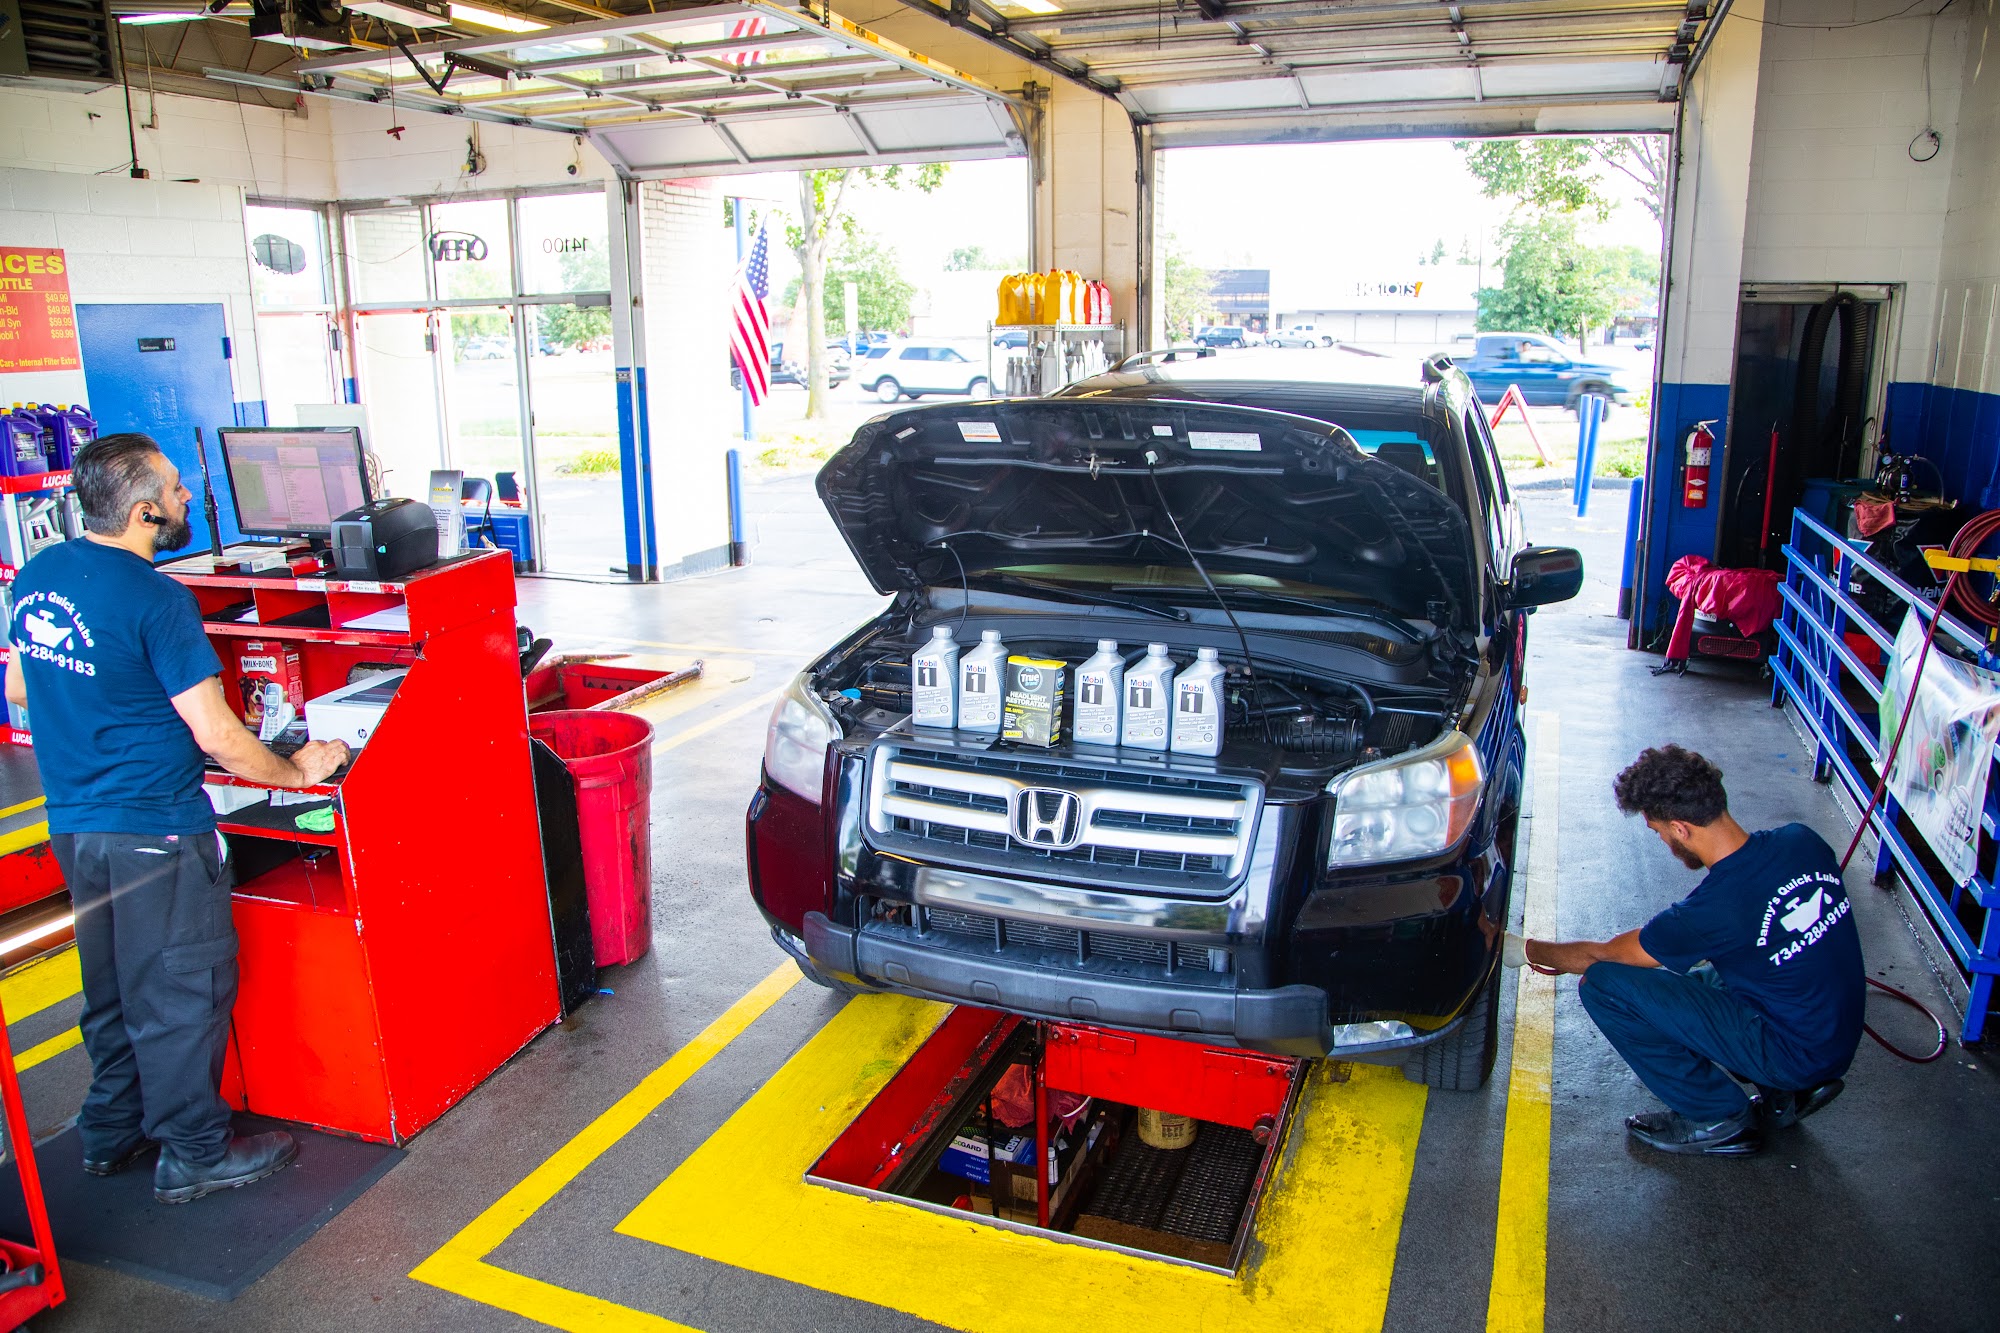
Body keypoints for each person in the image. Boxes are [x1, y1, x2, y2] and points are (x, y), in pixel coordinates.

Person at [4, 434, 349, 1203]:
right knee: (182, 989)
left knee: (113, 989)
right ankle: (194, 1150)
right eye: (174, 488)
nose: (187, 495)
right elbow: (218, 734)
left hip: (76, 825)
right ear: (143, 511)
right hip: (155, 829)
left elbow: (22, 687)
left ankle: (111, 1128)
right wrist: (297, 771)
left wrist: (107, 700)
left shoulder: (40, 574)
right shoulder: (157, 599)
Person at [1517, 745, 1864, 1157]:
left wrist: (1520, 949)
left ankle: (1717, 1118)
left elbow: (1602, 957)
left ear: (1680, 829)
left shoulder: (1715, 908)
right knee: (1710, 977)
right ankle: (1787, 1093)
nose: (1663, 840)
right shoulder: (1802, 840)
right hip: (1836, 1037)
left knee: (1606, 986)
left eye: (1658, 831)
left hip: (1795, 1054)